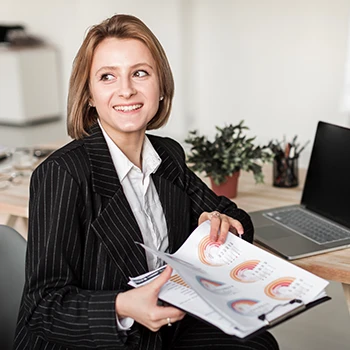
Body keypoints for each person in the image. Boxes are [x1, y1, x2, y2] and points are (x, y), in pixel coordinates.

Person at [13, 14, 279, 350]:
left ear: (161, 87)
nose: (126, 89)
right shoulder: (63, 174)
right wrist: (121, 307)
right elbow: (43, 307)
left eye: (140, 73)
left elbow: (234, 219)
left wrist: (219, 223)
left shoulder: (167, 156)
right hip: (98, 338)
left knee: (259, 342)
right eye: (107, 76)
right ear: (90, 95)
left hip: (163, 330)